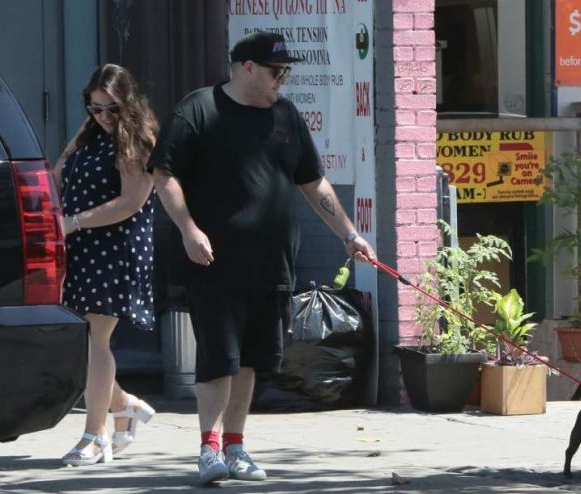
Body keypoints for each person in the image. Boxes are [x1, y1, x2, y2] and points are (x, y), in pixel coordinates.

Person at [149, 31, 376, 484]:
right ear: (247, 67)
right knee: (219, 358)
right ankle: (208, 449)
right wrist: (189, 229)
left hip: (271, 264)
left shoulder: (286, 117)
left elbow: (314, 184)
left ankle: (236, 446)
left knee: (251, 360)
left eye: (287, 72)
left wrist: (350, 235)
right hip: (210, 262)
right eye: (276, 72)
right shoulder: (200, 109)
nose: (282, 81)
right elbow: (164, 175)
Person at [55, 64, 159, 466]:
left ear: (127, 103)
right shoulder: (88, 135)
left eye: (110, 109)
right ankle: (126, 405)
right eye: (94, 108)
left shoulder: (137, 140)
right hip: (81, 245)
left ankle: (94, 435)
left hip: (116, 248)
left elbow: (131, 202)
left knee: (95, 339)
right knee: (85, 343)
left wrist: (74, 222)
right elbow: (57, 174)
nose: (101, 117)